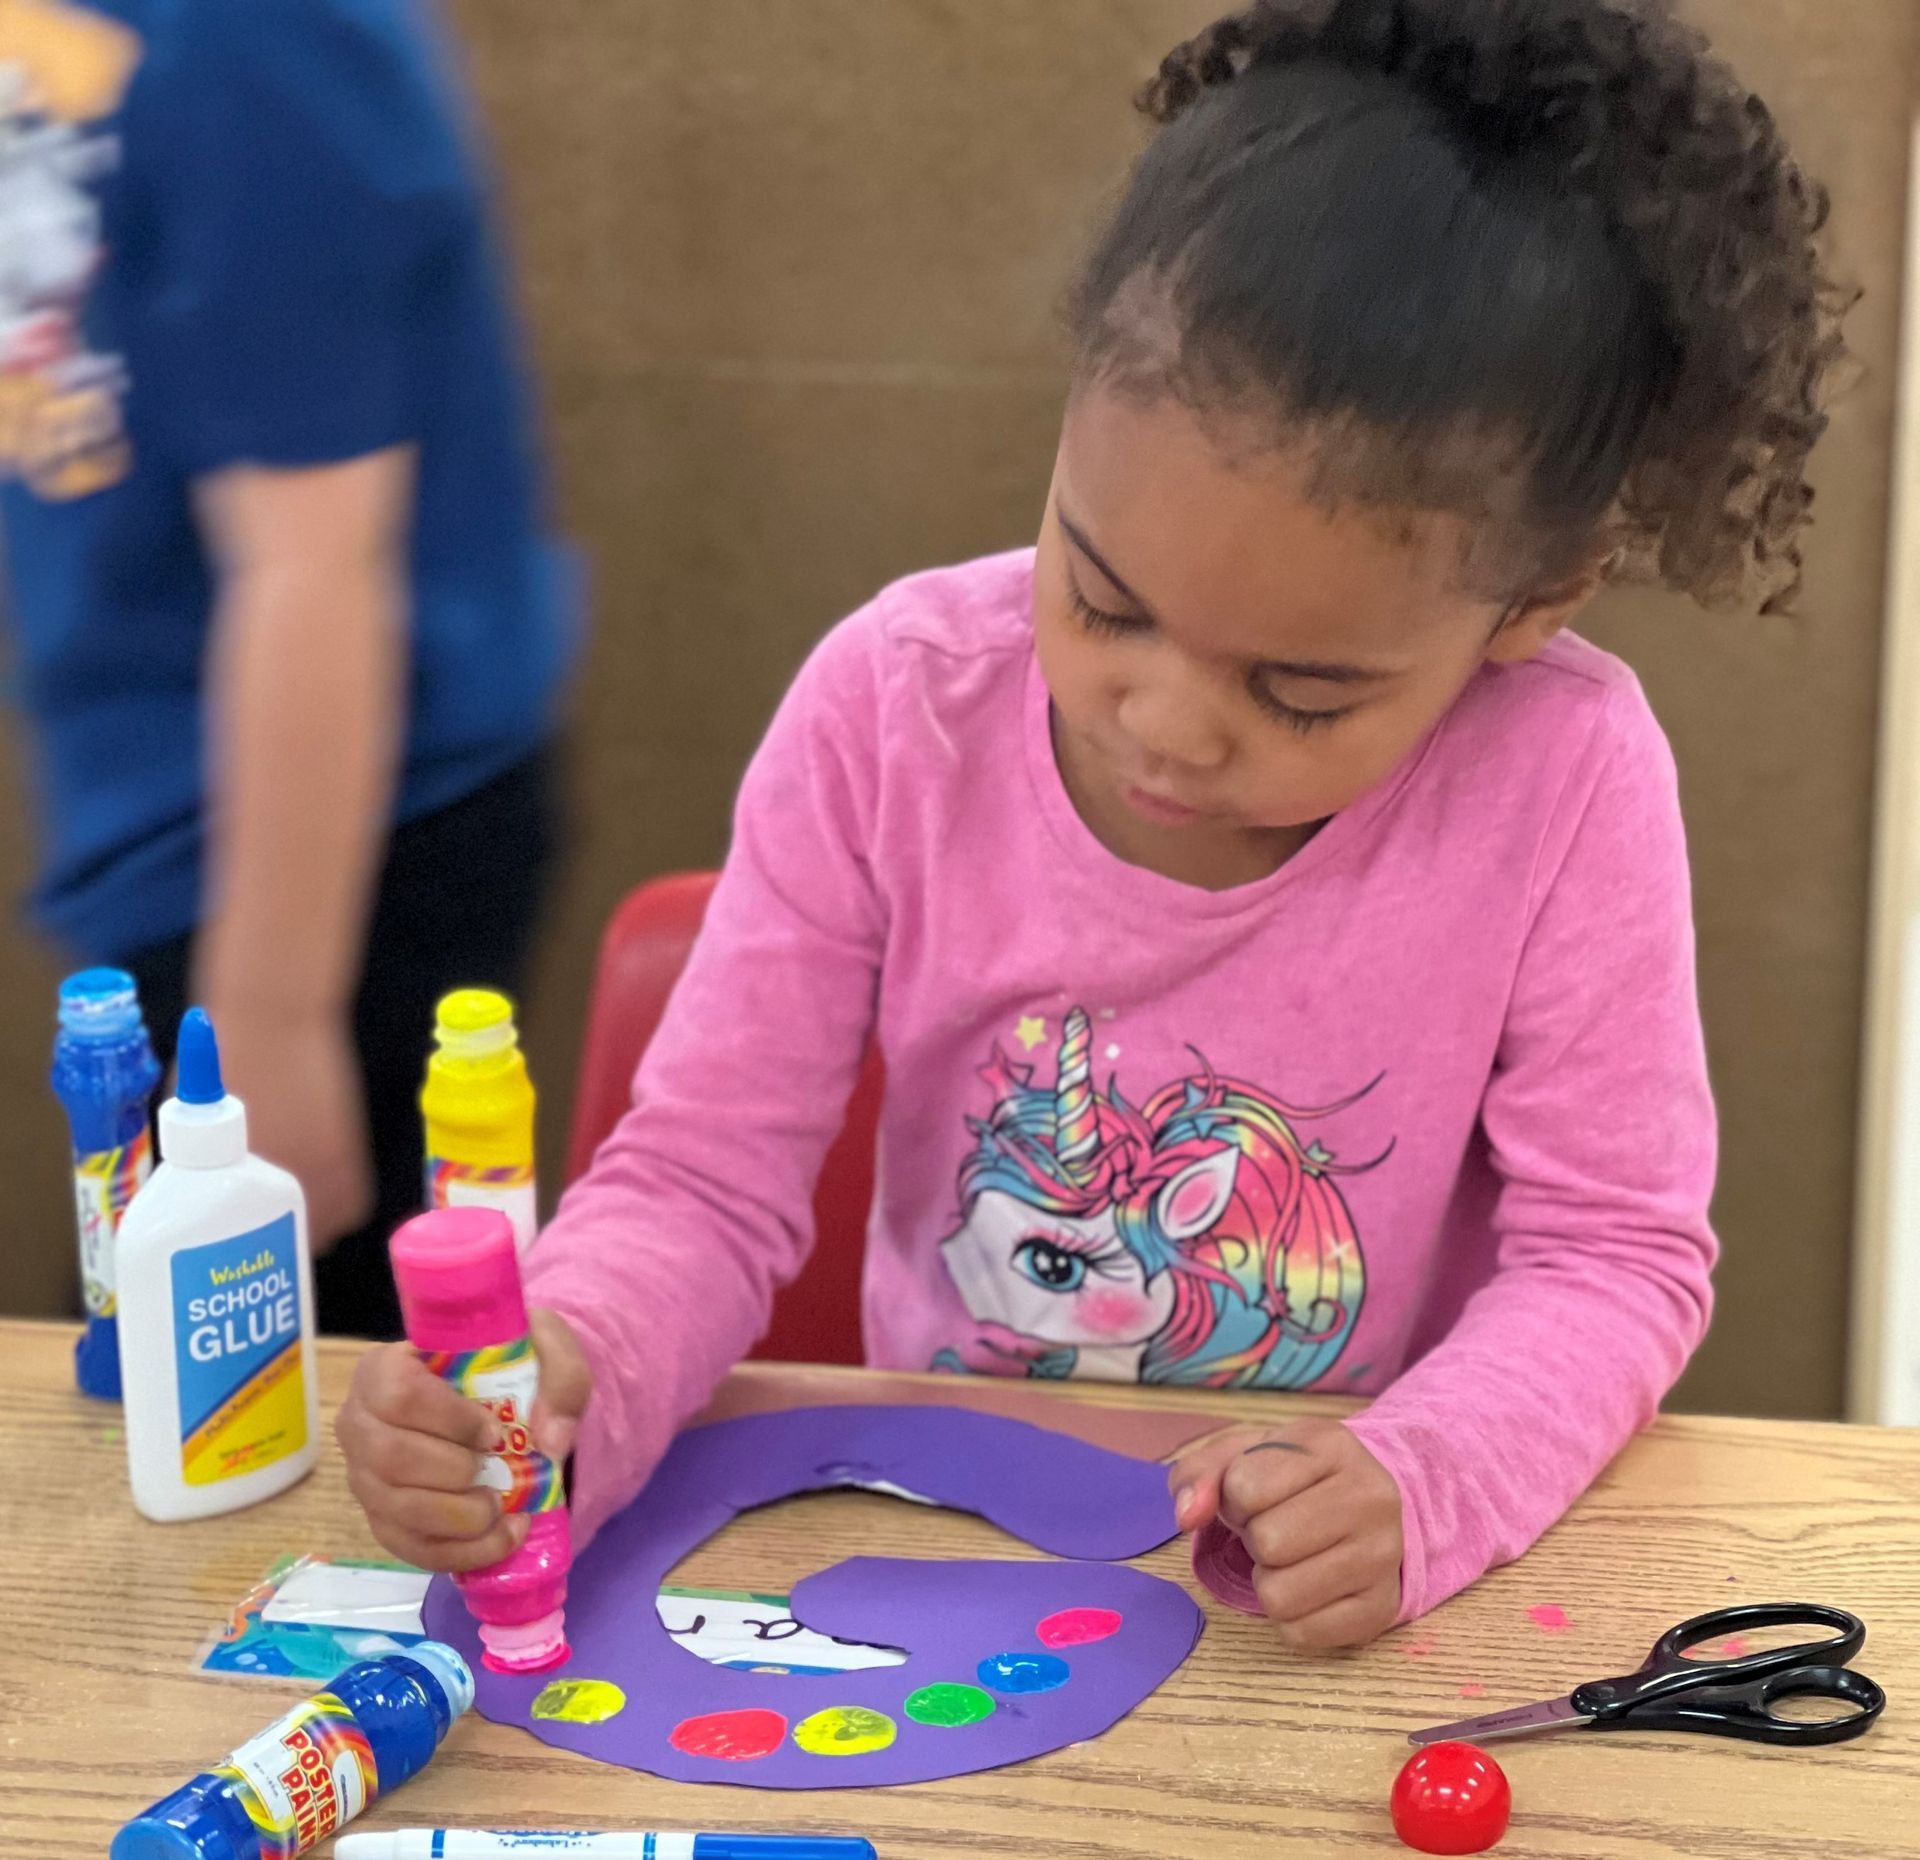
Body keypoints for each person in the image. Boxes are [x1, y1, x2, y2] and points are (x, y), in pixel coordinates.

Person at [338, 0, 1845, 1643]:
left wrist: (1420, 1480)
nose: (1168, 724)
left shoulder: (1564, 782)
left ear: (1530, 608)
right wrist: (571, 1375)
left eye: (1304, 693)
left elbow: (1614, 1259)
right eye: (1103, 598)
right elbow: (703, 1184)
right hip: (940, 1561)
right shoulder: (894, 707)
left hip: (1319, 1593)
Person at [0, 0, 578, 1338]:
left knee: (249, 1402)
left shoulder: (260, 36)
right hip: (161, 828)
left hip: (325, 859)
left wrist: (267, 1015)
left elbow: (317, 557)